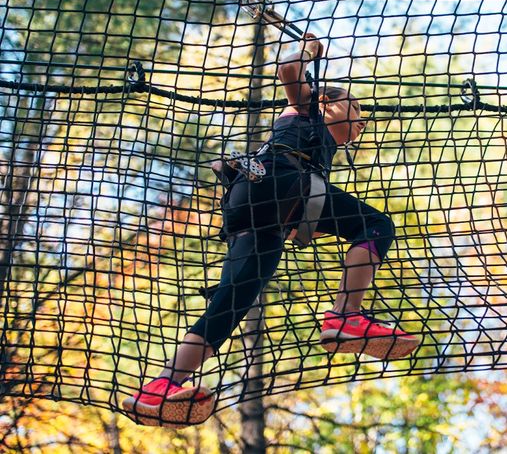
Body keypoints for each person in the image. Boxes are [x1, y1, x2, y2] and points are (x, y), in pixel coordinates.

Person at [123, 33, 420, 427]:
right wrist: (310, 50)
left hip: (256, 211)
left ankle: (159, 388)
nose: (362, 120)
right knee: (375, 224)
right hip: (277, 183)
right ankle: (346, 316)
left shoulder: (317, 144)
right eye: (355, 106)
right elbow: (288, 69)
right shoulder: (306, 110)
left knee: (231, 304)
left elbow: (308, 211)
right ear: (325, 102)